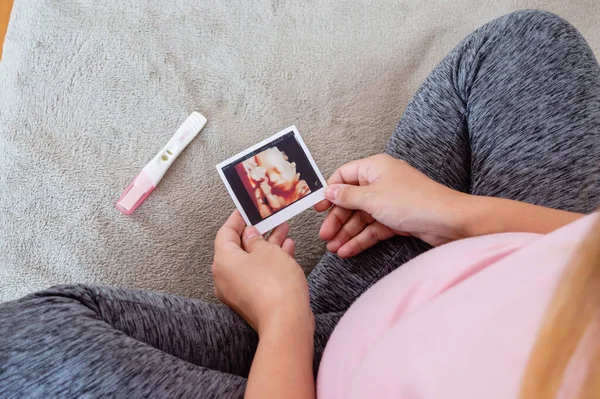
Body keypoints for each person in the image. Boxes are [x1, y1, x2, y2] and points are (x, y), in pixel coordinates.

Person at [1, 9, 599, 399]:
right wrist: (453, 217)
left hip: (315, 370)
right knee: (526, 45)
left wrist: (281, 318)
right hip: (470, 276)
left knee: (29, 343)